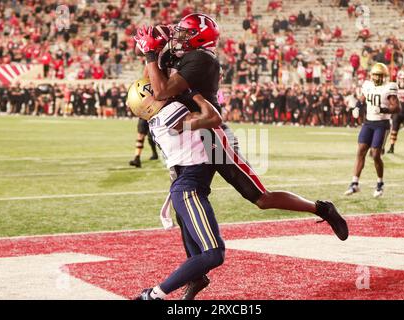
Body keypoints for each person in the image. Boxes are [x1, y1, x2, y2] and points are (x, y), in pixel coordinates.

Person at [135, 14, 348, 299]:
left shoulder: (202, 59)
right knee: (186, 193)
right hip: (192, 135)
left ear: (199, 39)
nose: (179, 38)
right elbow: (154, 81)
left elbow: (160, 90)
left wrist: (151, 53)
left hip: (211, 135)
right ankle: (195, 276)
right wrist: (156, 48)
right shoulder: (186, 56)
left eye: (185, 34)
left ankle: (322, 209)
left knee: (259, 197)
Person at [126, 78, 223, 300]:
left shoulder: (158, 119)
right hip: (189, 188)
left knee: (198, 258)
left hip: (186, 187)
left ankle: (186, 287)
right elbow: (213, 117)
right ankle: (152, 295)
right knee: (213, 254)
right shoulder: (172, 111)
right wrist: (195, 92)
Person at [345, 63, 400, 198]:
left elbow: (396, 108)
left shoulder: (389, 88)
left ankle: (380, 183)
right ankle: (354, 183)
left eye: (379, 75)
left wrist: (382, 109)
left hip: (382, 124)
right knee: (361, 150)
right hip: (368, 122)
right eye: (375, 74)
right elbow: (362, 99)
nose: (376, 77)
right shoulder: (367, 85)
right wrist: (357, 107)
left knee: (375, 154)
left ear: (384, 76)